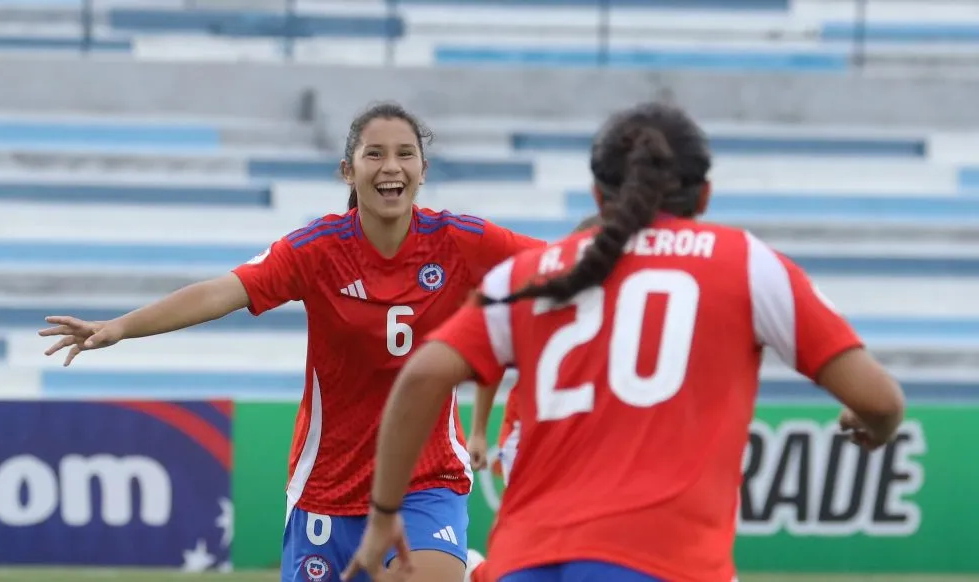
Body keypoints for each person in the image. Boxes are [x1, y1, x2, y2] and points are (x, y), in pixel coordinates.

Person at [341, 102, 906, 582]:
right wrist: (872, 426)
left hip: (527, 559)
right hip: (663, 559)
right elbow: (880, 400)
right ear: (704, 195)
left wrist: (386, 511)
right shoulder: (745, 264)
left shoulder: (530, 275)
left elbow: (420, 377)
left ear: (596, 192)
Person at [38, 102, 545, 582]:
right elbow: (222, 292)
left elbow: (559, 262)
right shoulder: (318, 249)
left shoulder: (458, 240)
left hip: (426, 481)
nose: (391, 166)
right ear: (348, 171)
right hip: (327, 488)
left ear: (423, 168)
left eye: (404, 153)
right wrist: (121, 326)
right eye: (375, 154)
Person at [467, 214, 602, 484]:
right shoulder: (539, 299)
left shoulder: (623, 302)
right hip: (530, 436)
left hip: (584, 436)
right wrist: (479, 431)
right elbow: (492, 353)